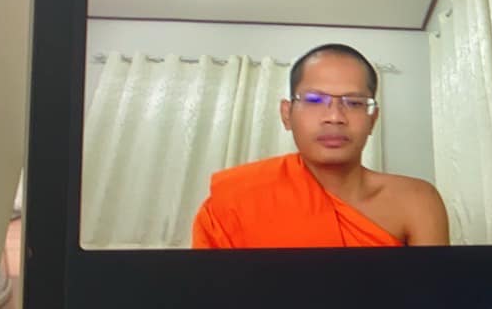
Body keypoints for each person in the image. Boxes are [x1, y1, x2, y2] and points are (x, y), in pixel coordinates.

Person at [191, 44, 449, 248]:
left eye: (354, 103)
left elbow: (435, 296)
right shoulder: (234, 200)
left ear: (373, 119)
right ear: (286, 114)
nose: (334, 117)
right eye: (314, 100)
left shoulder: (415, 201)